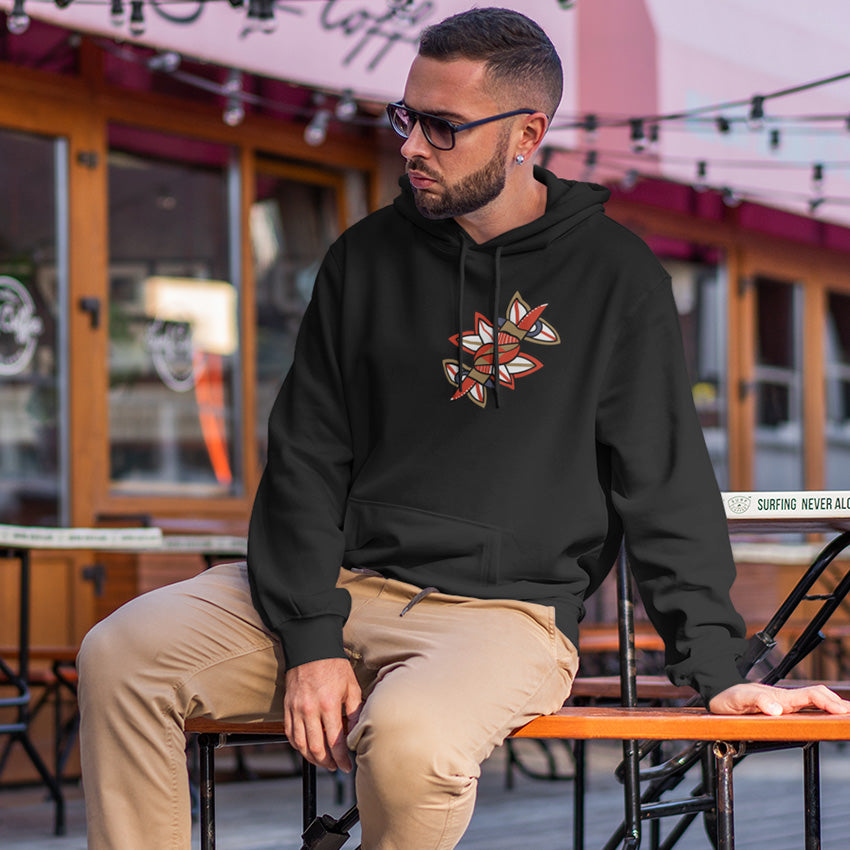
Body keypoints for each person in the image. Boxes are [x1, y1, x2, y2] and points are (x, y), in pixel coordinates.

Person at [77, 8, 850, 850]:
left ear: (527, 134)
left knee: (412, 743)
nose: (413, 146)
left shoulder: (616, 277)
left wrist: (717, 669)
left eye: (443, 127)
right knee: (122, 655)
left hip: (505, 617)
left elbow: (663, 483)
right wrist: (310, 639)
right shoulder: (364, 258)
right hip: (340, 584)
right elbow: (304, 459)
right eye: (406, 117)